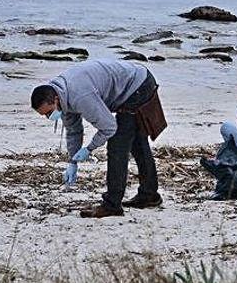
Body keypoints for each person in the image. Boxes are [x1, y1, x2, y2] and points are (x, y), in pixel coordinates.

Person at [31, 59, 163, 218]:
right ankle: (149, 195)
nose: (48, 117)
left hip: (138, 86)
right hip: (135, 80)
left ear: (56, 100)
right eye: (44, 115)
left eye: (49, 112)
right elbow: (74, 131)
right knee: (136, 141)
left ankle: (112, 206)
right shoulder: (61, 95)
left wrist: (89, 148)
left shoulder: (80, 96)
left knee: (117, 145)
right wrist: (72, 161)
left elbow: (109, 127)